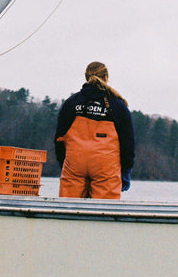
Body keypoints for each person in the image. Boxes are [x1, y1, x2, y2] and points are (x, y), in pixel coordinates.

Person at [55, 61, 135, 199]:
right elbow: (128, 143)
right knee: (104, 213)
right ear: (106, 78)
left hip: (74, 164)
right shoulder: (118, 105)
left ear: (86, 77)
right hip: (106, 168)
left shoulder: (71, 102)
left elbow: (59, 138)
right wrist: (126, 171)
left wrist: (64, 163)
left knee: (69, 210)